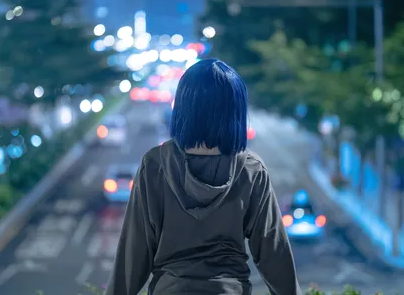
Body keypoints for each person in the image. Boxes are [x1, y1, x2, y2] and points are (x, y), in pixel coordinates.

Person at [105, 58, 302, 295]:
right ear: (235, 112)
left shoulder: (155, 165)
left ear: (183, 108)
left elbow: (134, 253)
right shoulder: (251, 170)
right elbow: (274, 255)